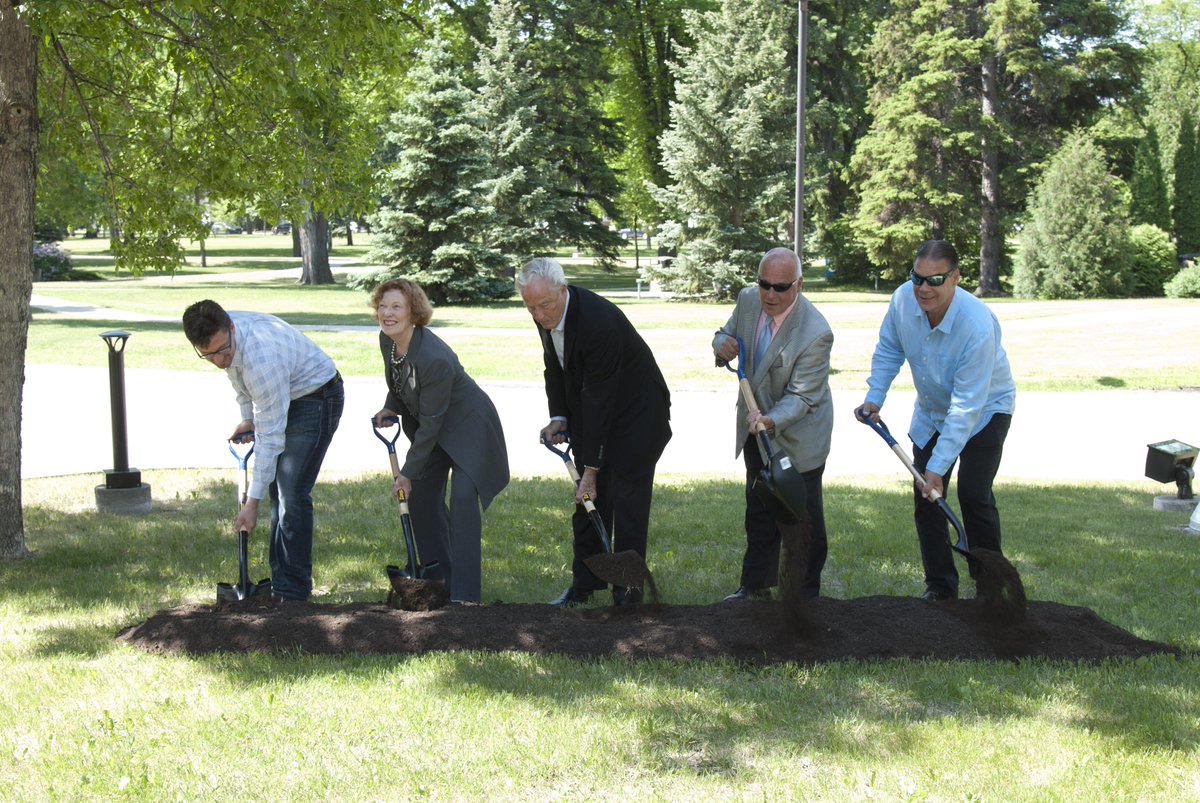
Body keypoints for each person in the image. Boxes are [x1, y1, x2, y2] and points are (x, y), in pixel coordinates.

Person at [854, 239, 1016, 601]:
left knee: (974, 496)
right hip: (932, 410)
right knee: (926, 498)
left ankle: (990, 589)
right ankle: (940, 587)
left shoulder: (976, 326)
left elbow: (965, 407)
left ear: (955, 278)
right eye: (918, 278)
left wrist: (938, 468)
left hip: (984, 411)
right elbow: (889, 348)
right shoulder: (902, 301)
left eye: (935, 280)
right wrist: (874, 397)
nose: (924, 288)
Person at [517, 257, 672, 607]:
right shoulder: (548, 313)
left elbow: (601, 397)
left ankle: (628, 593)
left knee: (627, 500)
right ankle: (584, 585)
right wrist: (559, 415)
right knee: (587, 503)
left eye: (545, 305)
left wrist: (591, 469)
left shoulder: (596, 322)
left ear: (563, 289)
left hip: (638, 416)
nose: (540, 315)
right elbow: (554, 368)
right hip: (595, 409)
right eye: (531, 308)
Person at [182, 299, 344, 602]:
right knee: (278, 491)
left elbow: (270, 438)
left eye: (221, 351)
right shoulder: (225, 342)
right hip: (284, 391)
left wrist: (250, 505)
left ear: (231, 327)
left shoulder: (261, 356)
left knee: (291, 490)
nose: (218, 360)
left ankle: (292, 592)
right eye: (208, 355)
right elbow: (239, 380)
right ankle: (281, 584)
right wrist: (247, 417)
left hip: (316, 397)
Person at [370, 278, 510, 604]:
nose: (387, 314)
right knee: (419, 496)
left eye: (396, 307)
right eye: (383, 305)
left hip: (468, 428)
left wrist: (406, 470)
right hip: (434, 425)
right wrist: (391, 405)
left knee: (462, 500)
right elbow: (400, 376)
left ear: (414, 313)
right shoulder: (388, 340)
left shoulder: (434, 357)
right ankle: (440, 579)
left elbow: (431, 423)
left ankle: (466, 596)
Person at [712, 247, 834, 602]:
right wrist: (722, 345)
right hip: (755, 425)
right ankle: (755, 588)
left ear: (799, 285)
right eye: (764, 284)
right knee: (759, 507)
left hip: (798, 434)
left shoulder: (815, 332)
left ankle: (804, 595)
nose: (769, 294)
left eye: (780, 287)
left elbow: (802, 397)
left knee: (802, 517)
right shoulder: (748, 300)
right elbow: (725, 333)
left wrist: (770, 420)